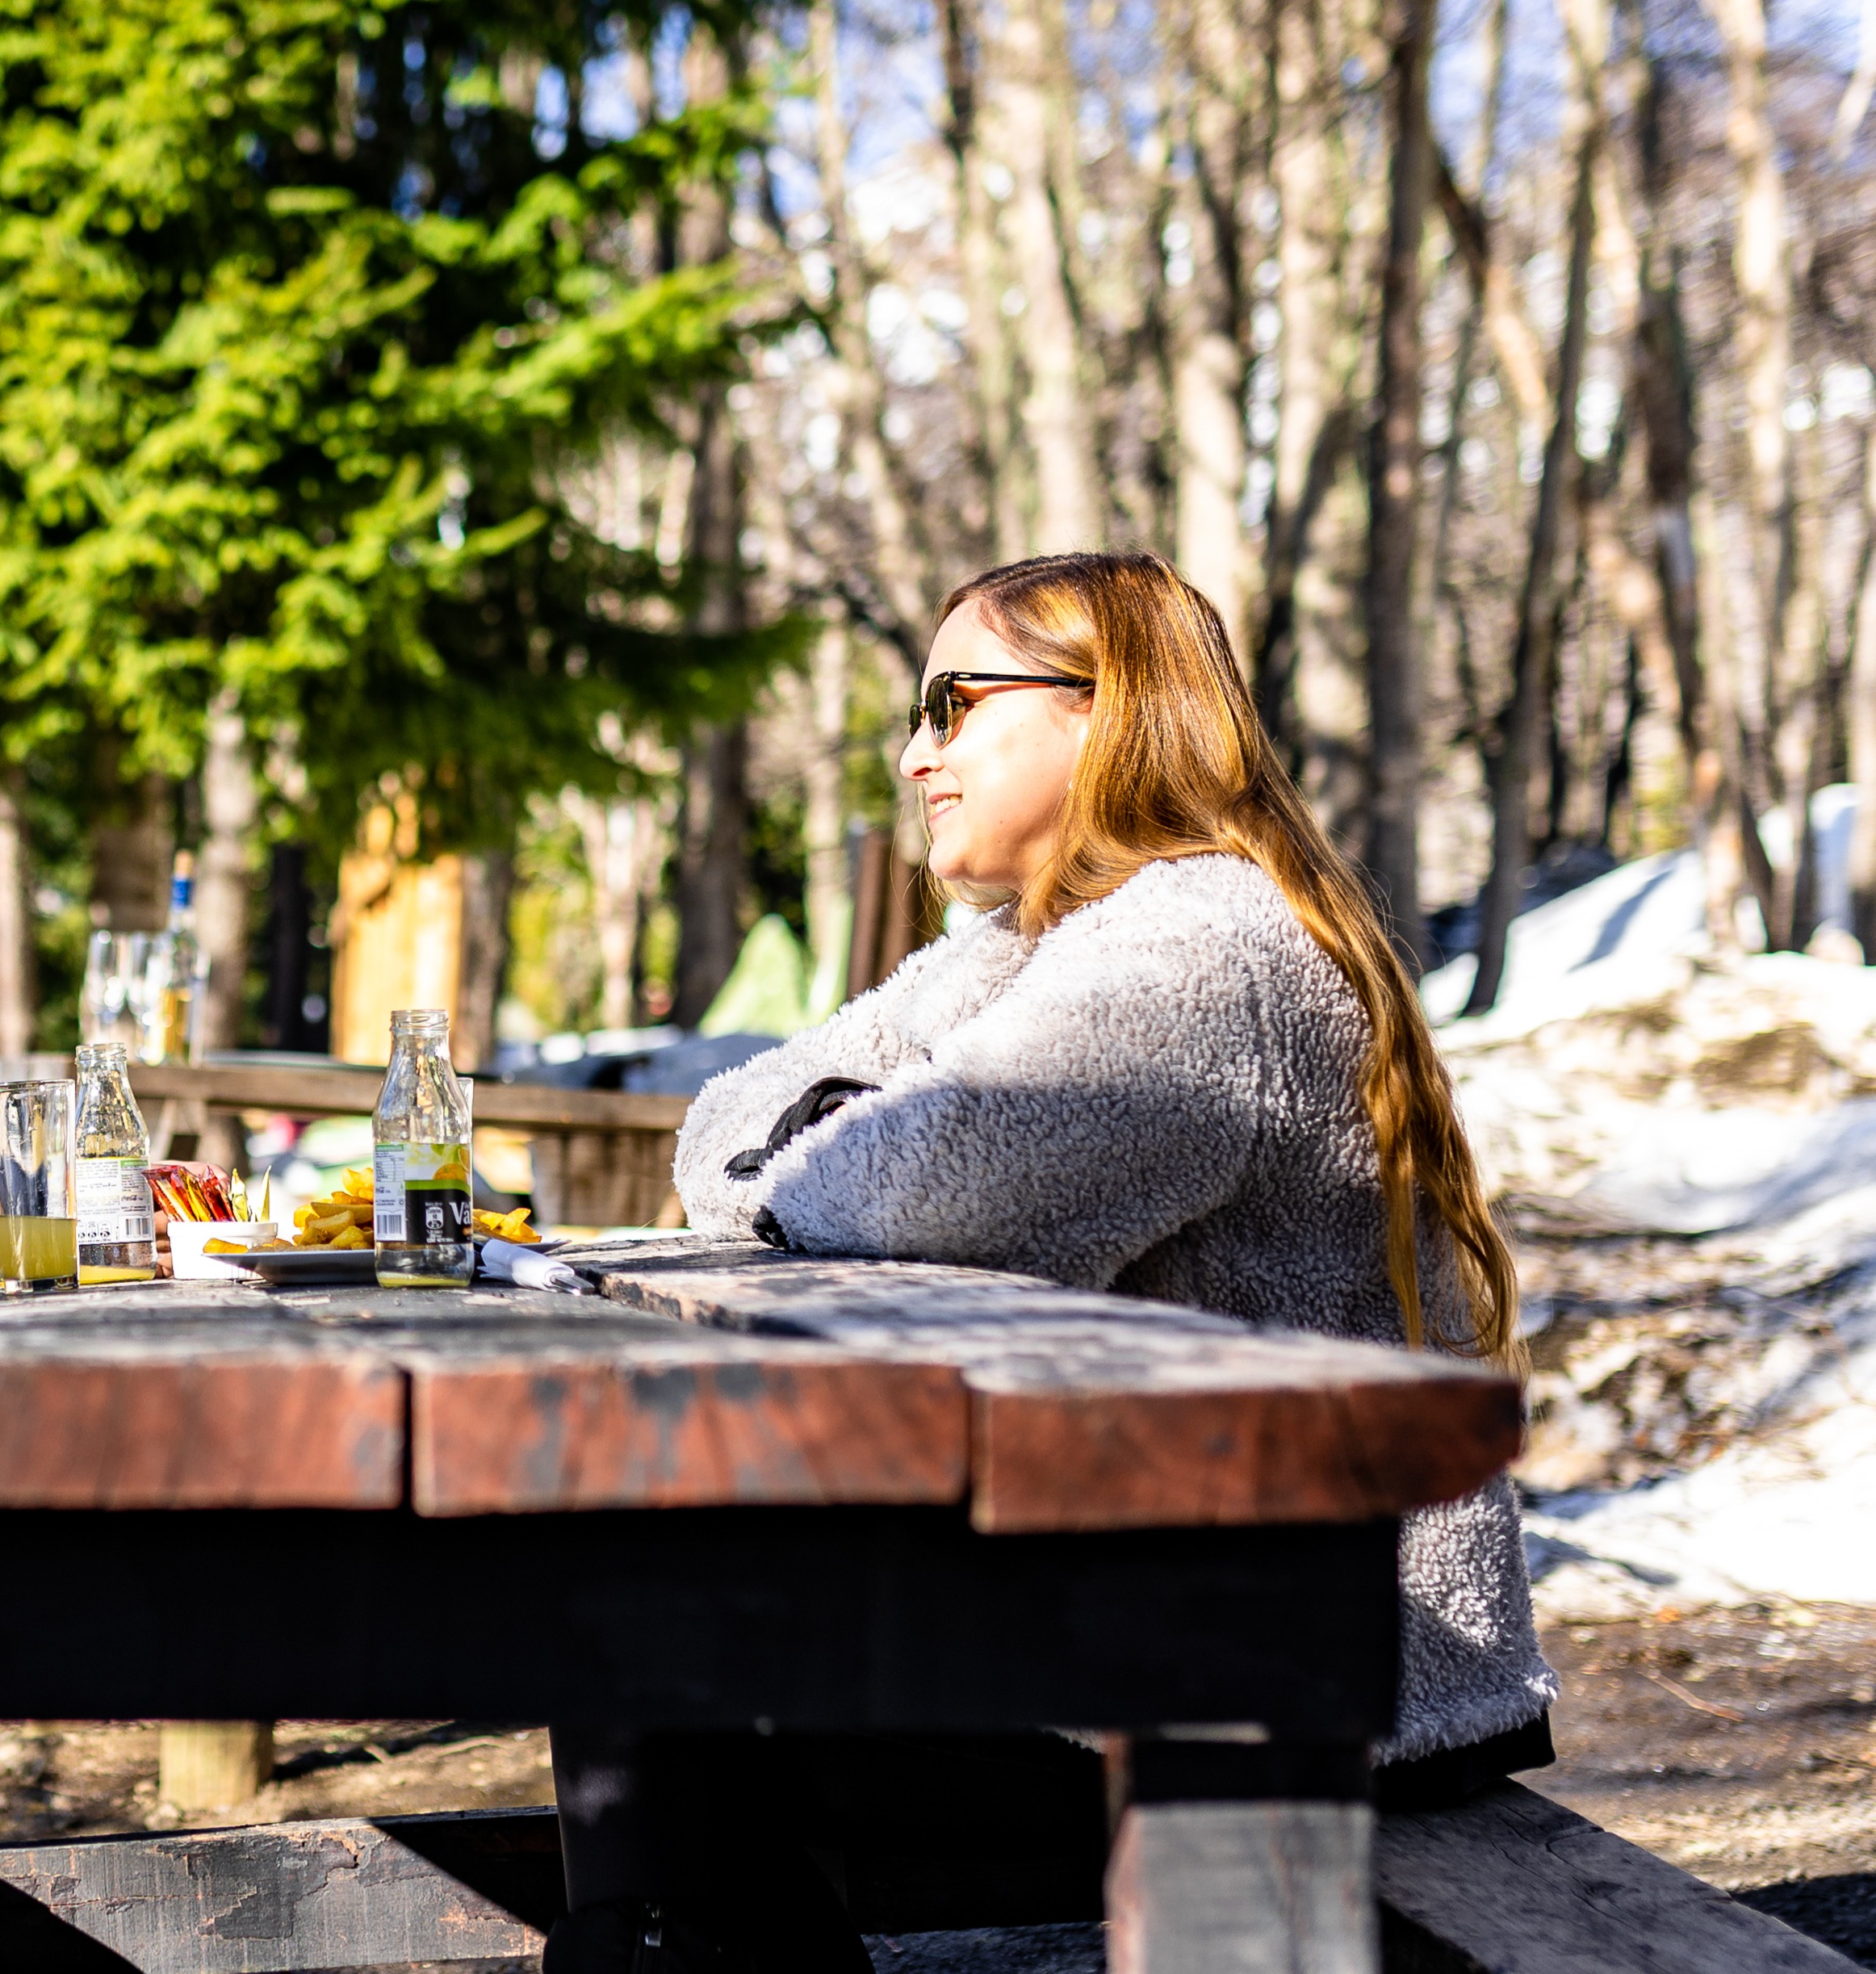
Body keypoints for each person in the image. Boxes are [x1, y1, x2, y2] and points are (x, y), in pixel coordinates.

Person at [542, 552, 1557, 1972]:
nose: (916, 755)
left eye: (952, 704)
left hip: (1329, 1674)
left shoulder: (1202, 948)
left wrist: (827, 1150)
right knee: (657, 1664)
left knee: (651, 1657)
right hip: (1182, 1624)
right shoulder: (1022, 948)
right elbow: (723, 1124)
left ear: (1103, 708)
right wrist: (824, 1147)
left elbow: (908, 1178)